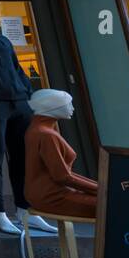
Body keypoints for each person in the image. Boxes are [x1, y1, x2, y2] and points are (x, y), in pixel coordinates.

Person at [24, 88, 98, 220]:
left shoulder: (37, 129)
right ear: (53, 107)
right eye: (68, 104)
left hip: (44, 193)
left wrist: (100, 187)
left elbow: (62, 174)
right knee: (118, 205)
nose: (73, 108)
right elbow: (62, 176)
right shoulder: (47, 135)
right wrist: (102, 189)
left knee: (113, 199)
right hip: (53, 197)